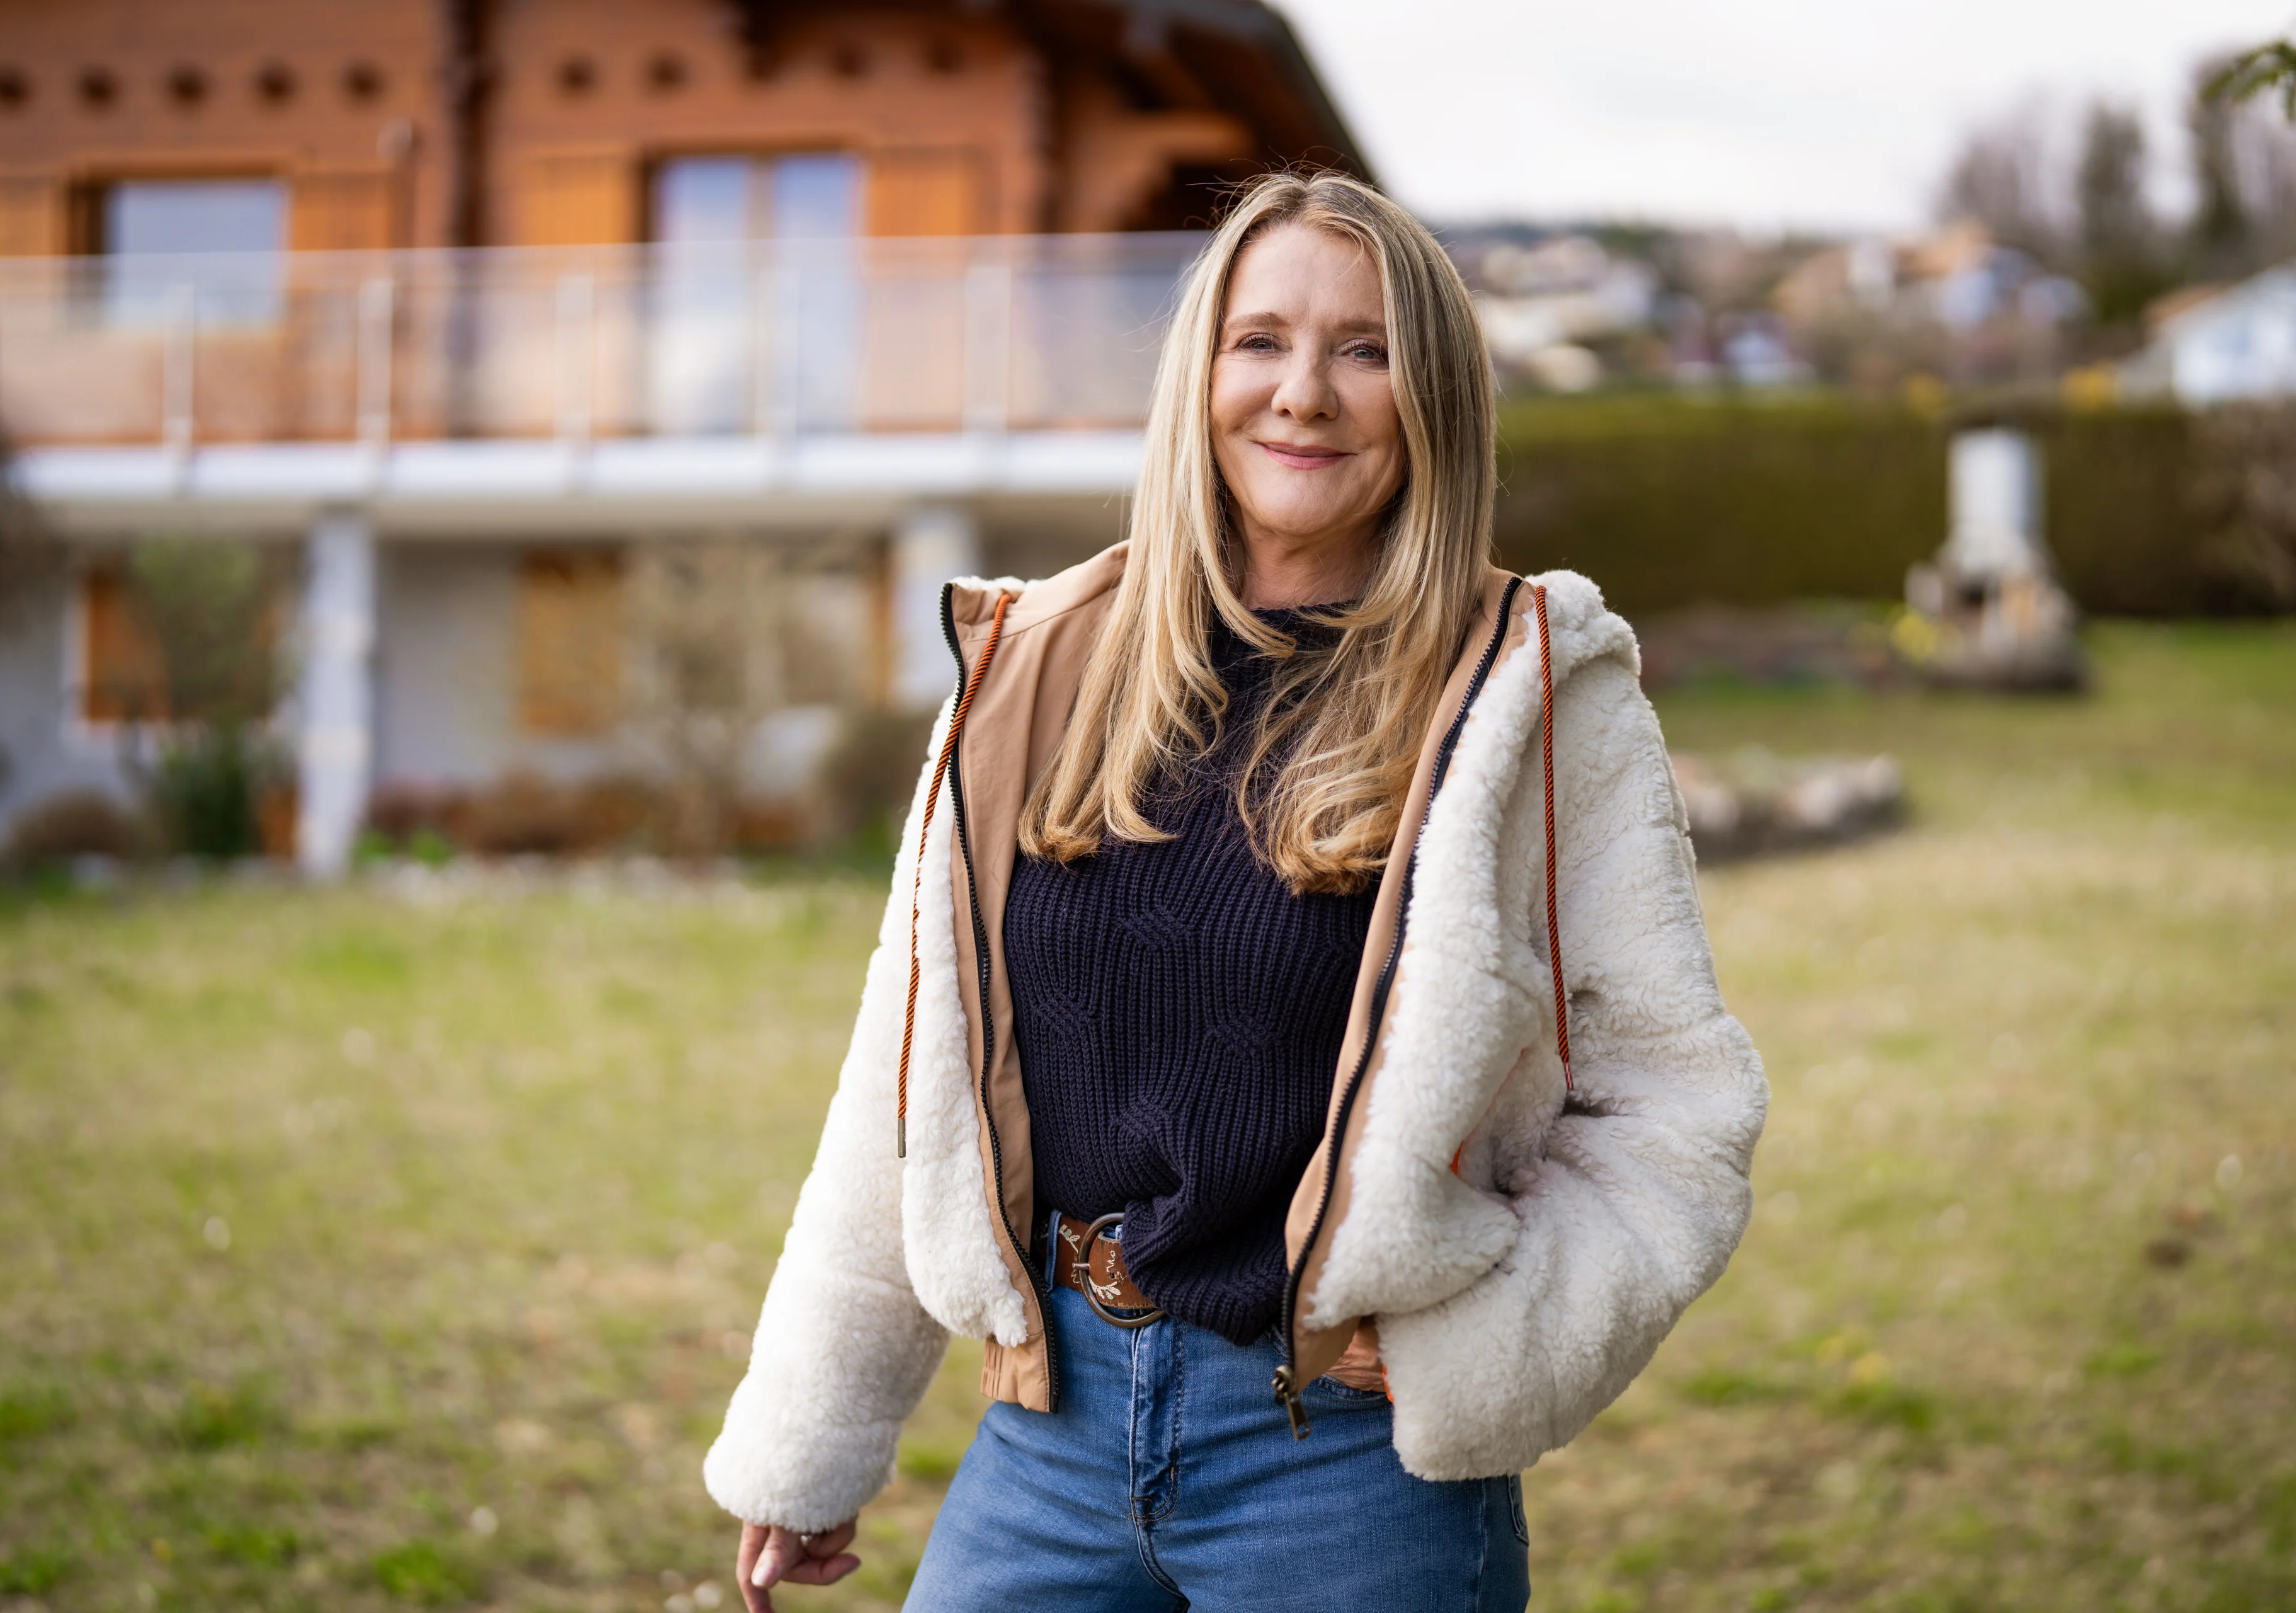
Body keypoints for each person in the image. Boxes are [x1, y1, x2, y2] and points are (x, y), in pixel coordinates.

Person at [704, 171, 1768, 1612]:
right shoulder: (1037, 667)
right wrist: (806, 1446)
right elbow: (905, 1088)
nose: (1303, 395)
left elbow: (1675, 1100)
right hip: (1048, 1435)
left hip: (1339, 1465)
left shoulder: (1527, 695)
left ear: (1433, 395)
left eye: (1365, 349)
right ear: (1201, 372)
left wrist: (1495, 1345)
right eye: (1260, 340)